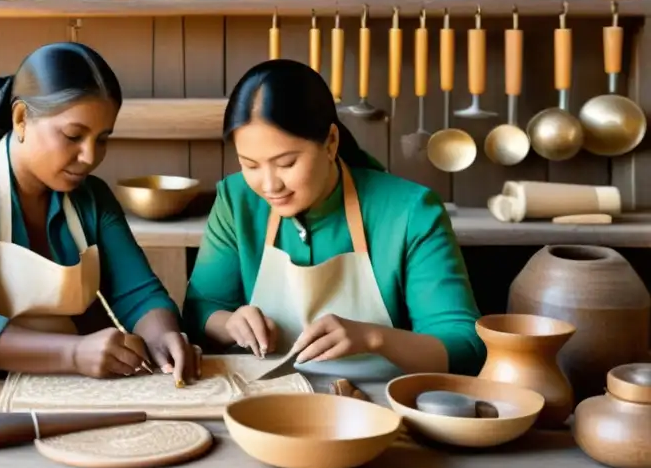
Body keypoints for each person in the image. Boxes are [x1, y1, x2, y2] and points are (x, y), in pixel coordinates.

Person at [0, 42, 199, 395]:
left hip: (56, 373)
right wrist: (76, 353)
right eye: (73, 136)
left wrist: (164, 337)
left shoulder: (92, 199)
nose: (90, 156)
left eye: (103, 139)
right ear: (21, 119)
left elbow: (139, 295)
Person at [183, 59, 484, 379]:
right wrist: (229, 323)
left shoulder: (411, 211)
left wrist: (373, 338)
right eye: (250, 165)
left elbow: (465, 346)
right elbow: (199, 309)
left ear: (330, 142)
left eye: (286, 163)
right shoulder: (236, 200)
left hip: (373, 407)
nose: (270, 185)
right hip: (263, 400)